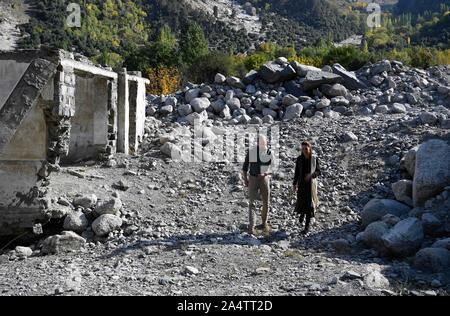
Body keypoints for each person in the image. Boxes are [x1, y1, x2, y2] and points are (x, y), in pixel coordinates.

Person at [242, 135, 272, 235]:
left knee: (266, 202)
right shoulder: (252, 152)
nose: (264, 145)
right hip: (253, 178)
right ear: (258, 143)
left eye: (265, 143)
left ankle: (264, 223)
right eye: (262, 143)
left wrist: (266, 173)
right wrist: (245, 179)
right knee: (252, 203)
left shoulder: (268, 152)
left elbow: (273, 168)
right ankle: (252, 227)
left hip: (265, 179)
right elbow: (245, 167)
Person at [293, 141, 321, 235]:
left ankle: (307, 227)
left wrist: (311, 175)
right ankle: (302, 214)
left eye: (306, 149)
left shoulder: (314, 159)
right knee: (301, 202)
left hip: (310, 185)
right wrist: (294, 184)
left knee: (309, 205)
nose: (304, 150)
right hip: (301, 185)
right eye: (303, 149)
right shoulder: (299, 159)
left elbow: (318, 171)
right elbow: (296, 172)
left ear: (310, 148)